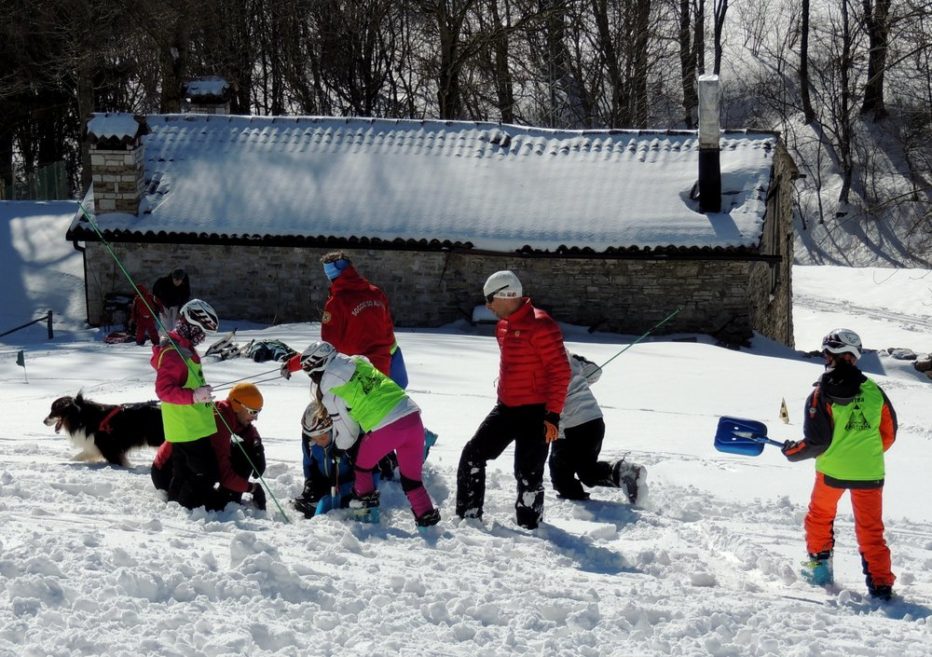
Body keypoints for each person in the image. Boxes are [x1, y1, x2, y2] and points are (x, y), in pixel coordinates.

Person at [781, 328, 898, 601]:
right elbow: (889, 433)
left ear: (828, 356)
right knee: (871, 530)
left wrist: (792, 452)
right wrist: (864, 451)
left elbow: (816, 442)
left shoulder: (820, 394)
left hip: (831, 472)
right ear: (854, 357)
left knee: (819, 518)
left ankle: (819, 573)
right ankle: (881, 586)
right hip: (869, 473)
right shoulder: (874, 391)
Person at [455, 271, 571, 530]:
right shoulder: (503, 326)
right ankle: (468, 517)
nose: (487, 305)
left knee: (528, 475)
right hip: (506, 409)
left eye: (489, 299)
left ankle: (531, 527)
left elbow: (560, 371)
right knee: (472, 454)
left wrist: (552, 414)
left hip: (537, 413)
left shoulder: (542, 325)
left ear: (505, 295)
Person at [281, 250, 409, 479]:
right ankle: (384, 461)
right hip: (383, 371)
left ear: (331, 275)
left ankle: (347, 475)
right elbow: (389, 334)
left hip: (352, 374)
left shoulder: (337, 302)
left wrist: (292, 364)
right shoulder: (376, 293)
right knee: (372, 421)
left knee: (339, 420)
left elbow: (324, 350)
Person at [295, 340, 440, 528]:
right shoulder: (358, 361)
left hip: (387, 427)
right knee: (411, 480)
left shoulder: (329, 390)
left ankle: (367, 517)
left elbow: (349, 433)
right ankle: (427, 520)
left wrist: (338, 449)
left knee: (362, 467)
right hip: (412, 417)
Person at [549, 350, 647, 504]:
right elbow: (596, 372)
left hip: (569, 425)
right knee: (587, 471)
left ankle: (577, 503)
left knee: (561, 472)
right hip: (593, 421)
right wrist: (579, 377)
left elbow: (550, 405)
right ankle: (626, 474)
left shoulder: (535, 367)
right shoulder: (569, 358)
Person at [151, 382, 267, 510]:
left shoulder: (228, 410)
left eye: (258, 411)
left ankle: (228, 496)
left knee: (243, 450)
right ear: (238, 406)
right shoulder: (220, 422)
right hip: (167, 473)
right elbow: (224, 473)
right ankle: (223, 499)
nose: (255, 417)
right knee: (214, 488)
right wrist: (252, 488)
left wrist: (257, 445)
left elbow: (247, 430)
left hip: (188, 466)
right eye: (253, 411)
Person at [150, 298, 220, 509]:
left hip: (191, 425)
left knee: (183, 471)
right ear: (190, 324)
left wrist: (201, 394)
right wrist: (194, 396)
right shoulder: (174, 353)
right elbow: (164, 390)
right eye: (200, 330)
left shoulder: (185, 349)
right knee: (207, 472)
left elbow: (187, 382)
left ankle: (175, 504)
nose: (203, 337)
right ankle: (189, 505)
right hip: (188, 427)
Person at [293, 400, 359, 518]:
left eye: (322, 438)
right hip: (325, 481)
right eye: (313, 438)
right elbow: (309, 463)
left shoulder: (350, 443)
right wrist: (310, 483)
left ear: (334, 431)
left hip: (349, 484)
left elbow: (364, 474)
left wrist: (342, 490)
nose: (317, 443)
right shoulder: (309, 442)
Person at [153, 268, 191, 335]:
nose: (177, 282)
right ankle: (164, 339)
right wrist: (161, 310)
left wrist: (180, 312)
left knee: (175, 324)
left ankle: (175, 338)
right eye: (175, 280)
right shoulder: (163, 283)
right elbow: (156, 296)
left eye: (179, 280)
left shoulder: (184, 285)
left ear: (182, 280)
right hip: (164, 304)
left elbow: (185, 299)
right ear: (172, 278)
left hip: (177, 305)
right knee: (166, 324)